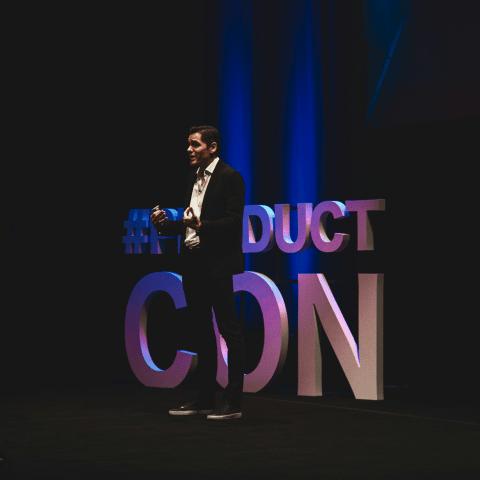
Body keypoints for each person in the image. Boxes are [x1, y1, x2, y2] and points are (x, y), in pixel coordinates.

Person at [150, 126, 245, 420]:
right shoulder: (193, 177)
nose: (189, 150)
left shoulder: (230, 177)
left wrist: (202, 225)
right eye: (188, 145)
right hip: (193, 264)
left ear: (212, 147)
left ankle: (233, 402)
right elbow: (190, 222)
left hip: (217, 264)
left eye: (194, 144)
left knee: (229, 331)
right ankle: (205, 399)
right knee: (201, 331)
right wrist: (165, 225)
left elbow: (233, 221)